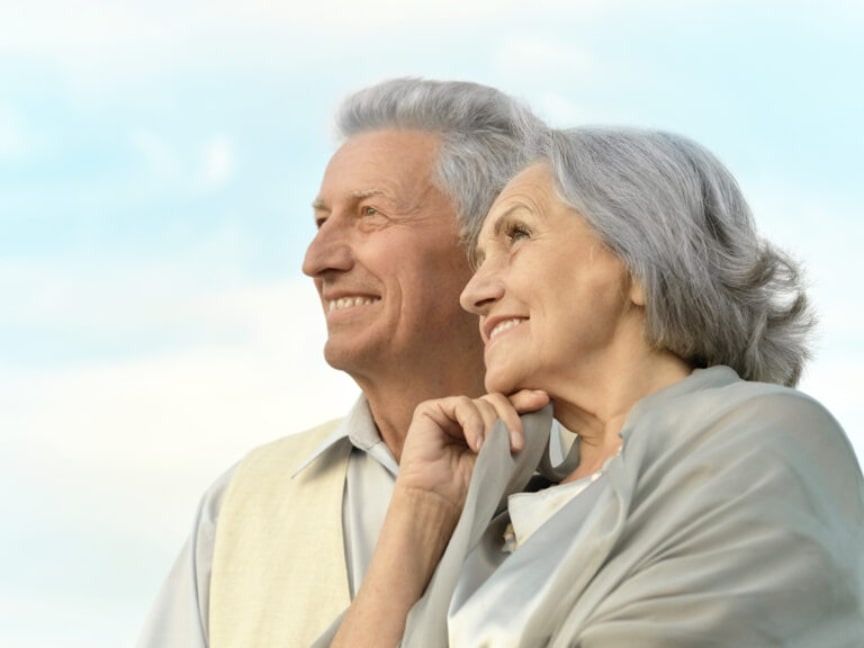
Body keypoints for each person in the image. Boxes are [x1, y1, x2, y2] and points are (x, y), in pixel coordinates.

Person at [325, 127, 864, 647]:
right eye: (480, 259)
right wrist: (420, 510)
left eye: (518, 235)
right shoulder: (498, 507)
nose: (474, 292)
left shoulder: (764, 438)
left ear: (640, 261)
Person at [136, 78, 546, 647]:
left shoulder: (621, 466)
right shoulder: (240, 506)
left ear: (491, 244)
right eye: (320, 221)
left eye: (369, 214)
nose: (316, 260)